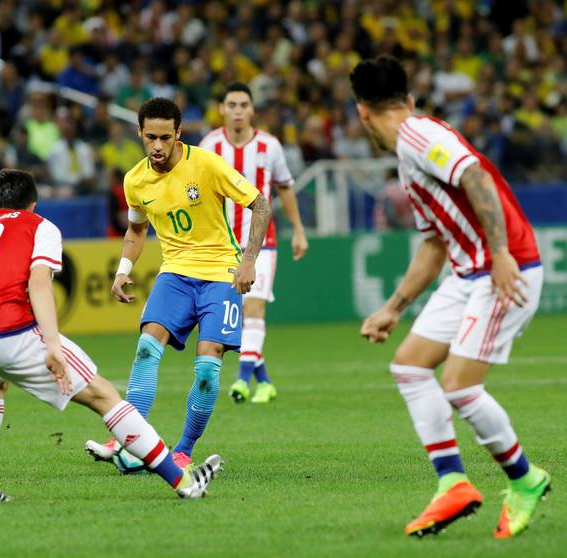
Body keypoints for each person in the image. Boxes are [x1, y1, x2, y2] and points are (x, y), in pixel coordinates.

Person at [0, 169, 223, 502]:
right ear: (32, 205)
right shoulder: (39, 226)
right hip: (11, 334)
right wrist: (51, 345)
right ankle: (184, 481)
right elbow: (39, 283)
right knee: (103, 395)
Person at [351, 56, 550, 539]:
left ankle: (525, 479)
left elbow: (476, 178)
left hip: (504, 270)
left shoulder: (418, 135)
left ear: (362, 112)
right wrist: (393, 308)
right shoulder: (409, 155)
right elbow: (435, 245)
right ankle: (453, 484)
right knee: (410, 366)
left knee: (460, 387)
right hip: (468, 275)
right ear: (408, 99)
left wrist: (500, 253)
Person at [85, 98, 272, 469]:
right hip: (174, 274)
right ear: (140, 133)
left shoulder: (206, 164)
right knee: (145, 349)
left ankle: (183, 451)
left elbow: (261, 205)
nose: (157, 146)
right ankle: (127, 441)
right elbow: (136, 230)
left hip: (220, 274)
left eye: (165, 138)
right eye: (150, 137)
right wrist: (123, 269)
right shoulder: (135, 180)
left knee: (207, 373)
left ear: (178, 134)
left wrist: (249, 260)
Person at [199, 83, 309, 404]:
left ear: (252, 109)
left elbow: (285, 187)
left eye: (243, 105)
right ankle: (265, 381)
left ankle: (242, 380)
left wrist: (298, 230)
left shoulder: (270, 146)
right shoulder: (209, 146)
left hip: (262, 242)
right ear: (222, 109)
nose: (238, 111)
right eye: (232, 104)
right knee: (234, 316)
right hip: (222, 244)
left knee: (254, 307)